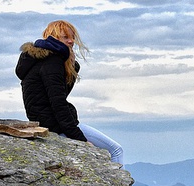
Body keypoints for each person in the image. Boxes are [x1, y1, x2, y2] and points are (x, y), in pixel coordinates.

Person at [15, 20, 123, 165]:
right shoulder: (52, 63)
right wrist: (81, 139)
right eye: (65, 37)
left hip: (48, 123)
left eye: (72, 37)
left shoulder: (42, 61)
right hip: (56, 126)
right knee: (115, 151)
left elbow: (55, 98)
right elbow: (58, 104)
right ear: (53, 37)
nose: (71, 41)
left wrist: (72, 67)